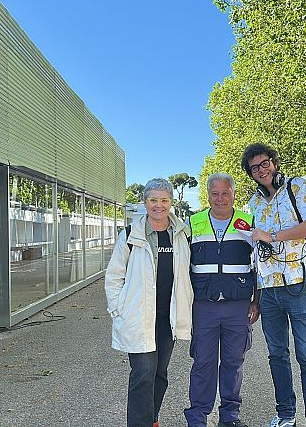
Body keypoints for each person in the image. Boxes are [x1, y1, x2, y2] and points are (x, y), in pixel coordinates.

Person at [240, 143, 306, 427]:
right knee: (277, 355)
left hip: (299, 284)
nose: (261, 170)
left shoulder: (297, 187)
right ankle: (286, 414)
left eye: (265, 163)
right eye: (255, 168)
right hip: (268, 290)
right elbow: (253, 252)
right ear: (250, 174)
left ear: (274, 163)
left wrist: (273, 236)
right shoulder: (252, 205)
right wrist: (254, 297)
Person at [105, 178, 194, 427]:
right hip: (139, 316)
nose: (159, 205)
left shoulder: (181, 233)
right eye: (153, 200)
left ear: (171, 203)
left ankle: (152, 419)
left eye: (164, 200)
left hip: (168, 317)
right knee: (143, 374)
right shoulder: (130, 235)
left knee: (160, 374)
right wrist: (117, 309)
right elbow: (114, 276)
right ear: (145, 203)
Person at [184, 173, 259, 427]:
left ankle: (229, 418)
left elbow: (259, 265)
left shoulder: (247, 223)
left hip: (237, 306)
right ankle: (197, 417)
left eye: (225, 193)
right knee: (203, 363)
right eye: (214, 193)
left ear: (233, 194)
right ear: (208, 196)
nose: (220, 198)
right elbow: (182, 266)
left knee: (233, 363)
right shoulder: (192, 224)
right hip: (203, 306)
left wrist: (256, 300)